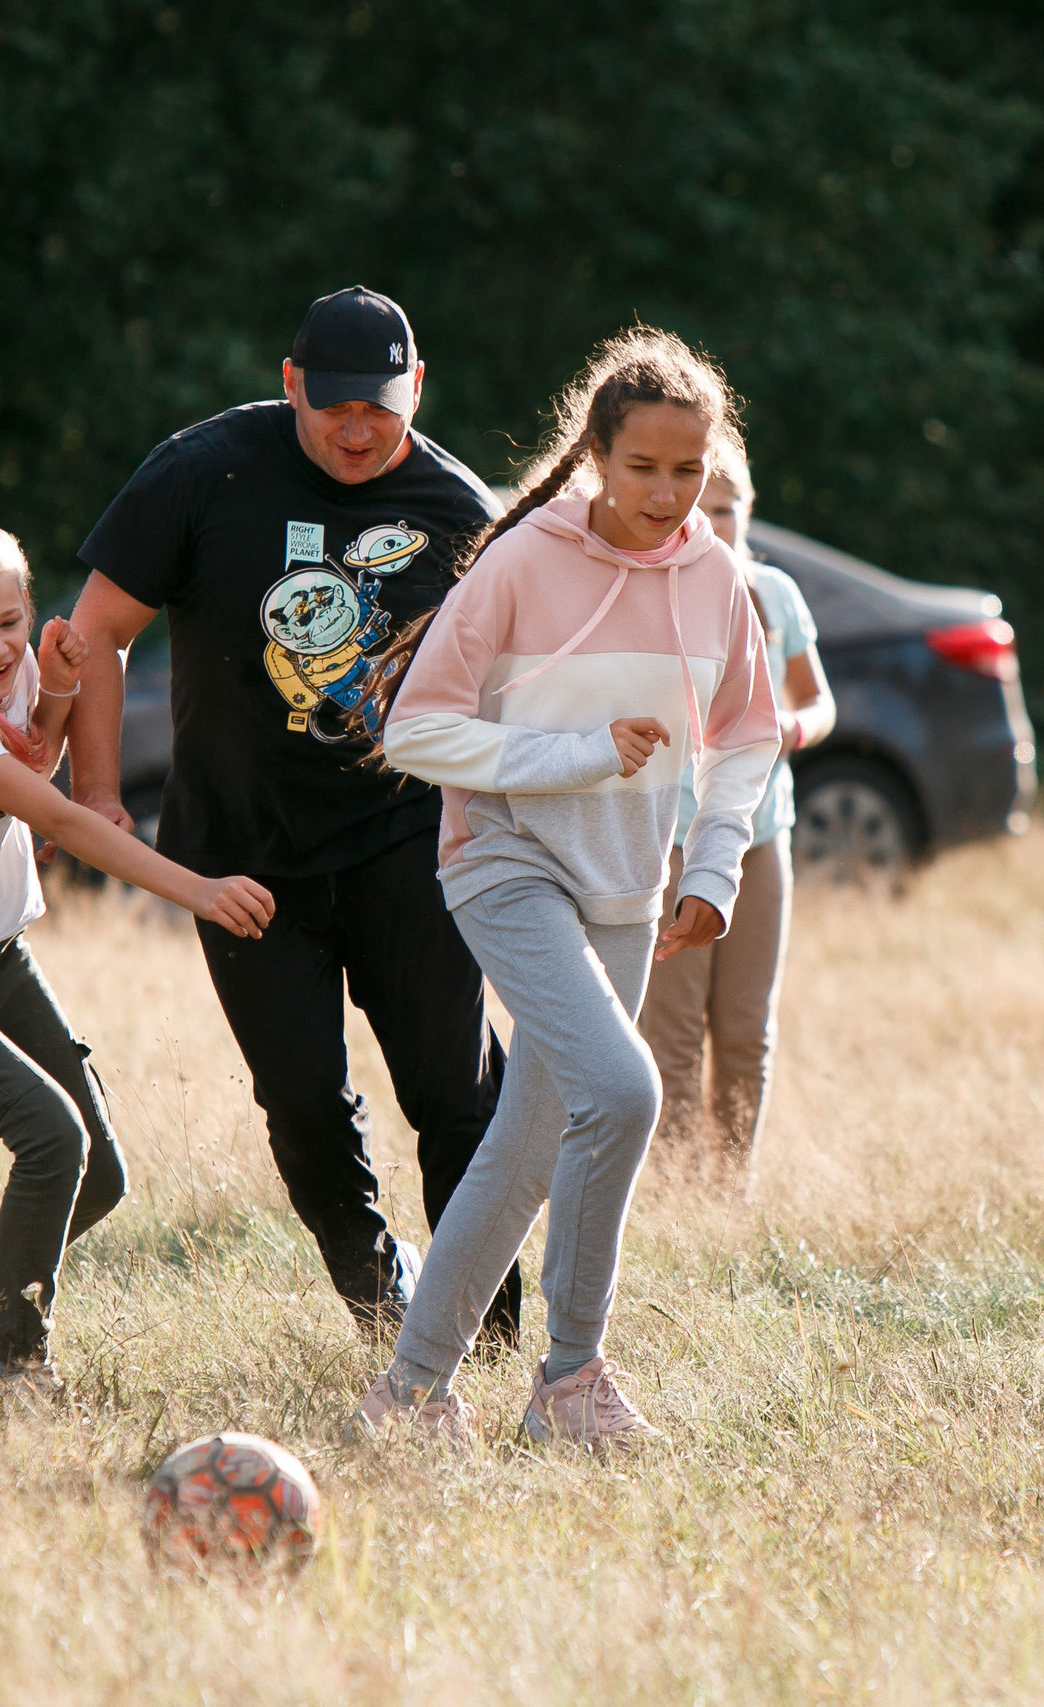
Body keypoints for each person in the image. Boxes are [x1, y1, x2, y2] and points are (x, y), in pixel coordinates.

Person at [347, 328, 780, 1454]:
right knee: (625, 1094)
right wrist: (582, 752)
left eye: (688, 472)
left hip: (628, 885)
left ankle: (409, 1396)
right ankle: (570, 1381)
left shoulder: (716, 578)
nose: (666, 494)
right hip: (502, 861)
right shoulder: (520, 564)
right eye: (643, 468)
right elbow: (419, 731)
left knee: (532, 1140)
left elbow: (746, 739)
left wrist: (717, 864)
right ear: (595, 453)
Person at [68, 286, 523, 1345]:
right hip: (241, 859)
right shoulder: (203, 471)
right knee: (304, 1102)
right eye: (332, 408)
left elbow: (520, 683)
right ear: (290, 387)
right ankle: (378, 1296)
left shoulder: (458, 511)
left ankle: (484, 1332)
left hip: (406, 842)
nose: (356, 430)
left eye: (380, 408)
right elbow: (94, 631)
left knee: (453, 1097)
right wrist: (95, 795)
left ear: (416, 389)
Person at [0, 521, 274, 1398]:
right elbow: (58, 816)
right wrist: (198, 890)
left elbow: (32, 756)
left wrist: (59, 691)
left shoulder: (16, 668)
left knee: (101, 1172)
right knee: (50, 1135)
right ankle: (16, 1367)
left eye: (9, 621)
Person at [638, 449, 834, 1184]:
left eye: (725, 508)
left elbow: (819, 700)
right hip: (677, 842)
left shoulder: (774, 593)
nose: (712, 523)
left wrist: (791, 727)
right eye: (699, 509)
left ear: (748, 510)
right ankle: (676, 1188)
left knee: (747, 1028)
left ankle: (731, 1187)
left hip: (762, 835)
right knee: (675, 1029)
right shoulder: (659, 591)